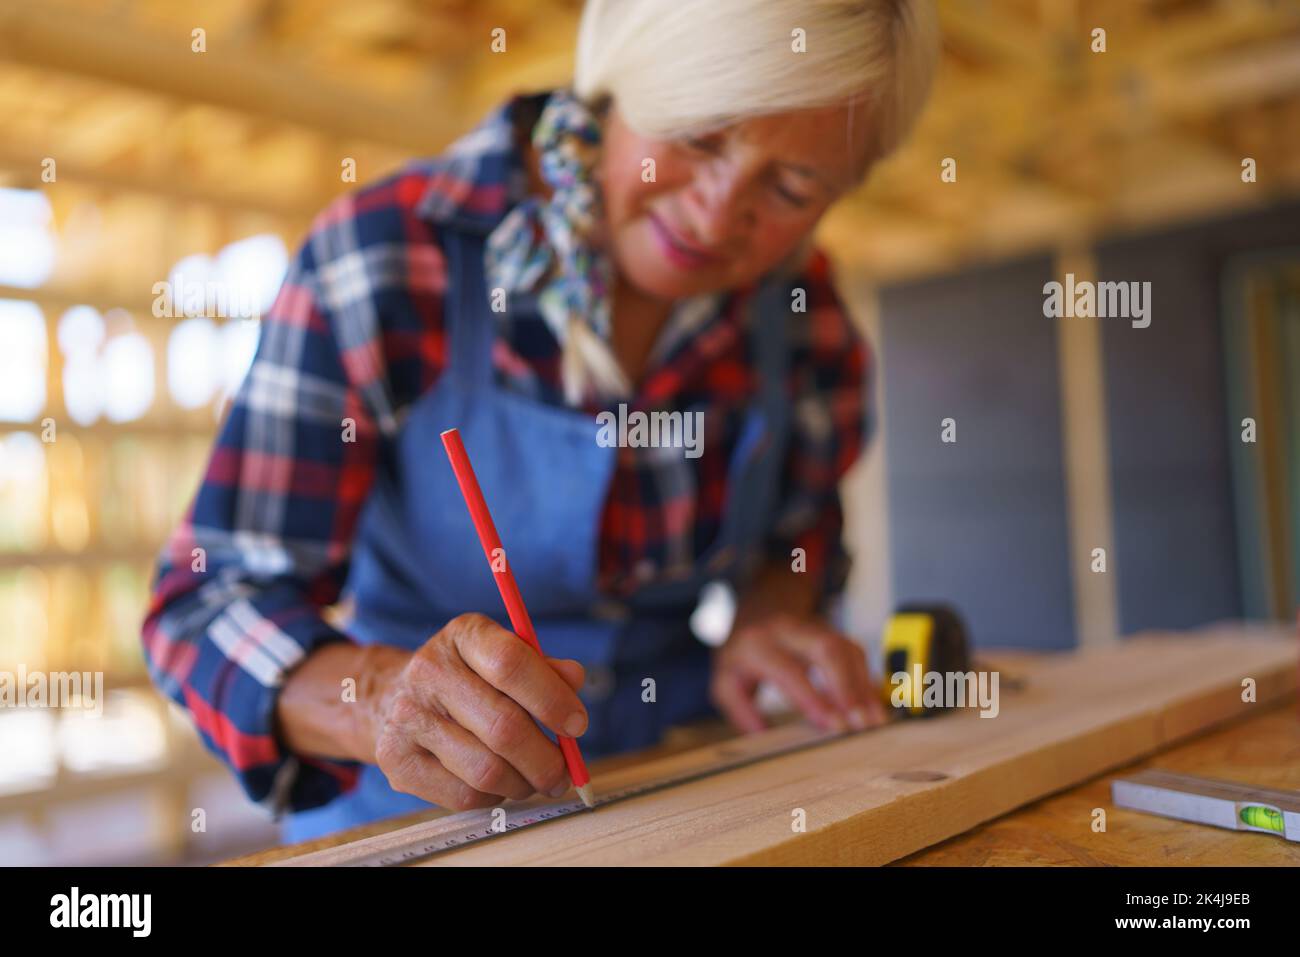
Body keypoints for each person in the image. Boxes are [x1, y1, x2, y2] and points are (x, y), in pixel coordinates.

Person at [142, 0, 939, 842]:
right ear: (618, 82)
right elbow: (202, 605)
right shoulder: (385, 262)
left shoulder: (803, 314)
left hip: (683, 800)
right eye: (699, 138)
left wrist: (771, 615)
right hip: (410, 828)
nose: (715, 216)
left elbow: (800, 532)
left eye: (790, 188)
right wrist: (379, 699)